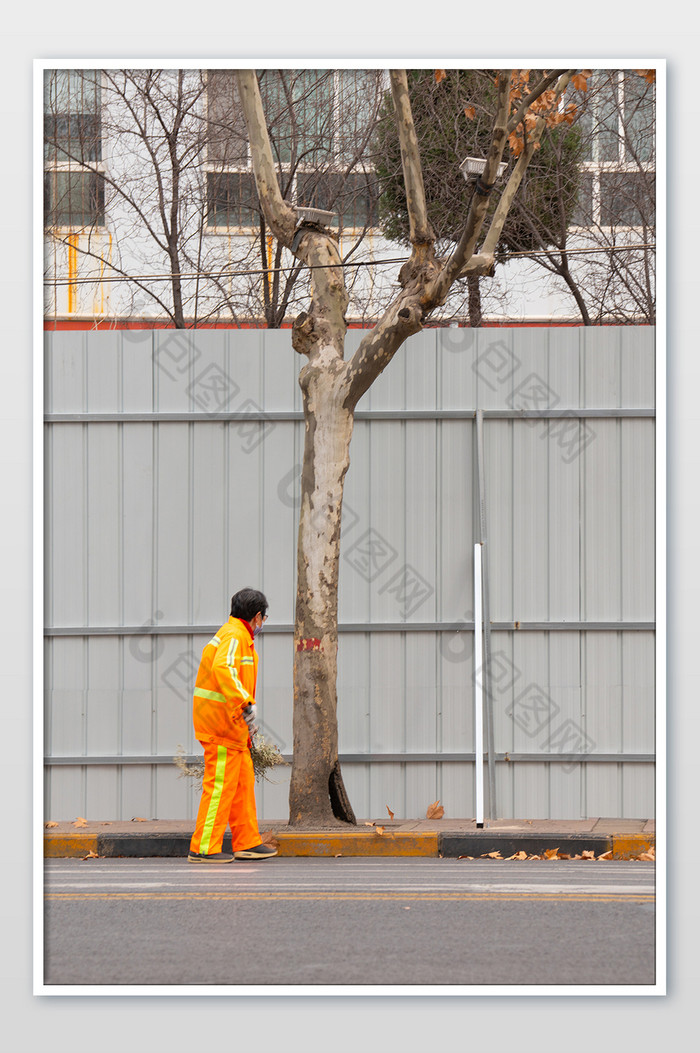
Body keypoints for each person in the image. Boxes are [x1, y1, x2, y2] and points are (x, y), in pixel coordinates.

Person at [188, 587, 277, 863]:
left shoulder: (236, 636)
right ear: (258, 616)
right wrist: (245, 703)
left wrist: (246, 718)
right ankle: (203, 848)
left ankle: (247, 842)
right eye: (263, 618)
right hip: (222, 726)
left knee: (242, 785)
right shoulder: (235, 636)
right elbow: (223, 668)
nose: (262, 624)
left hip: (232, 727)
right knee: (220, 787)